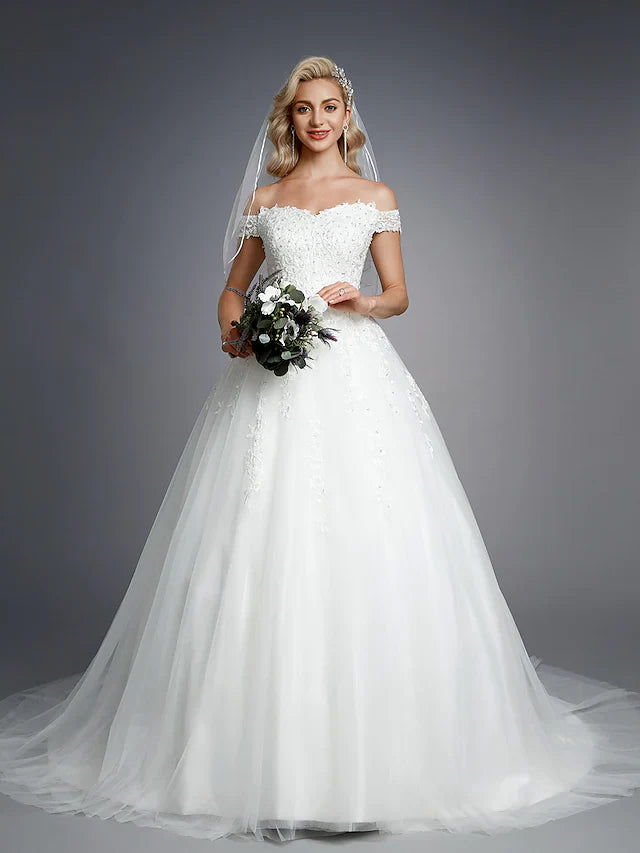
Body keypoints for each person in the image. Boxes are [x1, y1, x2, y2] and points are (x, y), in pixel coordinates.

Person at [1, 54, 640, 845]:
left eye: (329, 106)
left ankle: (372, 767)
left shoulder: (376, 196)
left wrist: (363, 300)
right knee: (257, 540)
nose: (316, 120)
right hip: (269, 379)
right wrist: (235, 328)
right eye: (304, 108)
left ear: (347, 115)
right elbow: (233, 287)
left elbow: (400, 293)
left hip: (355, 373)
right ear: (289, 117)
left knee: (369, 537)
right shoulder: (266, 200)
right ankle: (250, 763)